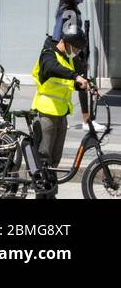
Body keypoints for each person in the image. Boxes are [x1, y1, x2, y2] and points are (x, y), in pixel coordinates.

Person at [29, 19, 90, 199]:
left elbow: (73, 80)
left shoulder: (69, 60)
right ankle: (41, 195)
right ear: (66, 43)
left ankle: (51, 194)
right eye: (76, 48)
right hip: (45, 113)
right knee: (44, 157)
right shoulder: (48, 54)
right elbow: (53, 69)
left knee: (55, 160)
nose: (77, 52)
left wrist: (86, 85)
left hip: (61, 114)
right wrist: (75, 76)